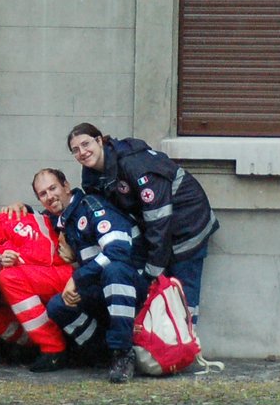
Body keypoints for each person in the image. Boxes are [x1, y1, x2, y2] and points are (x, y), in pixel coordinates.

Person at [66, 122, 217, 324]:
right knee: (159, 295)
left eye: (86, 144)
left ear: (99, 140)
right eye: (75, 150)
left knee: (182, 295)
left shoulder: (134, 164)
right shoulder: (92, 175)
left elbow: (159, 219)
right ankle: (163, 348)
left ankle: (184, 347)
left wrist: (152, 271)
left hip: (187, 227)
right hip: (158, 234)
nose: (82, 152)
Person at [41, 170, 146, 383]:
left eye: (53, 188)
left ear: (66, 186)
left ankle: (122, 353)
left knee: (114, 270)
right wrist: (19, 207)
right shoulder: (63, 218)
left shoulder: (91, 206)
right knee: (57, 306)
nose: (49, 196)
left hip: (133, 286)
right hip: (100, 287)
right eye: (42, 194)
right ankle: (101, 353)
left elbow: (117, 251)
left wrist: (78, 278)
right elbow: (37, 218)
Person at [0, 181, 75, 373]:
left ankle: (54, 348)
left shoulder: (11, 219)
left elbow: (45, 254)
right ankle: (31, 346)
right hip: (38, 282)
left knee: (9, 277)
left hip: (63, 276)